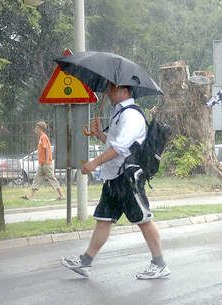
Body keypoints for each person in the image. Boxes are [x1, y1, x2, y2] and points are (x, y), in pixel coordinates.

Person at [61, 83, 170, 279]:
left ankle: (159, 264)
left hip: (127, 177)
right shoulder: (119, 113)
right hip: (113, 177)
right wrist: (100, 135)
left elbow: (120, 149)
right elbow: (114, 144)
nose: (108, 92)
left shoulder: (131, 115)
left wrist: (94, 163)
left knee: (143, 220)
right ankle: (85, 262)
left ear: (125, 91)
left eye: (113, 89)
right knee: (103, 220)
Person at [21, 121, 64, 201]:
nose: (35, 129)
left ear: (40, 128)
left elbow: (47, 149)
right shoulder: (41, 137)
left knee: (52, 179)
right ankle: (30, 196)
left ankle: (61, 195)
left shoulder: (44, 137)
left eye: (36, 128)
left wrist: (47, 161)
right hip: (42, 164)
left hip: (46, 164)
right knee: (36, 179)